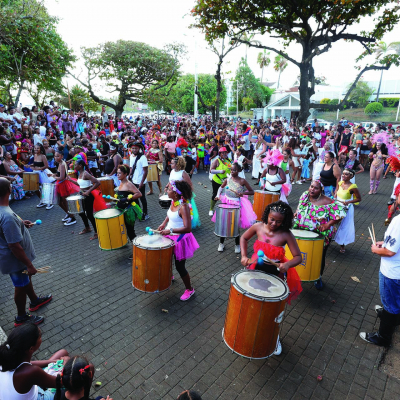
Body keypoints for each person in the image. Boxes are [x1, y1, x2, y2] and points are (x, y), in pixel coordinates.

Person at [240, 201, 303, 355]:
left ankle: (274, 338)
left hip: (275, 273)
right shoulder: (258, 227)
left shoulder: (286, 234)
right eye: (272, 219)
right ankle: (248, 330)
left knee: (272, 309)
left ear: (285, 221)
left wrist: (287, 266)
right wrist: (243, 255)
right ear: (267, 215)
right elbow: (243, 238)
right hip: (255, 268)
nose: (274, 223)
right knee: (253, 302)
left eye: (279, 221)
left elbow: (298, 257)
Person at [0, 177, 52, 325]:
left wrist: (21, 223)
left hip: (12, 258)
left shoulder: (4, 211)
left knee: (24, 280)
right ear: (10, 190)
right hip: (15, 259)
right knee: (20, 285)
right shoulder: (7, 216)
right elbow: (14, 245)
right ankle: (21, 317)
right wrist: (29, 264)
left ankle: (35, 301)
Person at [293, 180, 346, 290]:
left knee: (319, 257)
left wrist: (328, 224)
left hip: (319, 235)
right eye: (311, 186)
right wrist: (297, 212)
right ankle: (297, 274)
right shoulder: (304, 195)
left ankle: (318, 277)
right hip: (301, 231)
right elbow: (300, 207)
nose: (312, 189)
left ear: (321, 190)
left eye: (316, 188)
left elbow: (341, 213)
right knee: (299, 253)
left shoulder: (327, 201)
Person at [359, 212, 400, 347]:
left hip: (393, 272)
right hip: (394, 271)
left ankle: (383, 337)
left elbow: (389, 252)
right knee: (393, 301)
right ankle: (390, 316)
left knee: (390, 304)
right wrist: (385, 243)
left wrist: (376, 250)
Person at [0, 324, 69, 399]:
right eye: (40, 336)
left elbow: (30, 364)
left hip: (31, 388)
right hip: (39, 396)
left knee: (63, 352)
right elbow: (60, 383)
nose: (41, 338)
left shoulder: (7, 359)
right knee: (72, 387)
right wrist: (67, 365)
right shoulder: (32, 372)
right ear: (31, 349)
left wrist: (54, 361)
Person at [157, 180, 199, 301]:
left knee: (180, 266)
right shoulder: (174, 202)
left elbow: (188, 228)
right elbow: (169, 214)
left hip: (180, 239)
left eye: (170, 189)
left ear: (176, 193)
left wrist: (170, 231)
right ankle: (170, 276)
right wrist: (164, 223)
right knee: (167, 258)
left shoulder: (183, 206)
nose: (167, 190)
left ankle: (190, 289)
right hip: (169, 236)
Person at [213, 163, 256, 253]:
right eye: (231, 170)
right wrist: (217, 196)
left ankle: (237, 245)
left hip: (237, 204)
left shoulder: (242, 181)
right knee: (224, 223)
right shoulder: (228, 179)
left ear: (239, 171)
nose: (232, 172)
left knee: (235, 224)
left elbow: (252, 191)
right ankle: (221, 243)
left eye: (234, 170)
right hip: (226, 202)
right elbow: (221, 188)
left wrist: (243, 194)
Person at [67, 160, 106, 238]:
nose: (74, 166)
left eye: (76, 165)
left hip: (88, 196)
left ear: (80, 166)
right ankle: (87, 228)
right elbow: (80, 184)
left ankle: (97, 232)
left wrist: (88, 191)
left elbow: (97, 182)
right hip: (82, 195)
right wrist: (70, 180)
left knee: (89, 214)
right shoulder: (80, 173)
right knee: (81, 212)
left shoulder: (86, 174)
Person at [334, 169, 362, 253]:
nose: (343, 175)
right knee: (332, 222)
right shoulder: (339, 182)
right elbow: (336, 191)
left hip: (347, 207)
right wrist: (334, 196)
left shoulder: (353, 187)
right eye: (343, 174)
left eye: (346, 174)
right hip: (337, 205)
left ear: (351, 176)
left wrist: (348, 202)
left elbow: (359, 198)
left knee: (344, 226)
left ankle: (342, 244)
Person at [168, 156, 200, 229]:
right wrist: (167, 186)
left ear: (177, 164)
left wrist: (186, 195)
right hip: (174, 195)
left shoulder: (183, 173)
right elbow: (170, 180)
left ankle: (186, 224)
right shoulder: (172, 171)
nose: (170, 164)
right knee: (175, 209)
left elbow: (189, 184)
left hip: (182, 195)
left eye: (172, 163)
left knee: (184, 210)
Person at [115, 165, 143, 246]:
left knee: (130, 231)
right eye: (117, 173)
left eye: (120, 173)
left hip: (128, 211)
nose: (118, 175)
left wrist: (128, 199)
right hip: (121, 209)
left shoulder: (128, 184)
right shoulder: (121, 182)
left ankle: (137, 248)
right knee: (123, 228)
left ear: (125, 174)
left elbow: (139, 194)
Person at [52, 150, 78, 226]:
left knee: (66, 202)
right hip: (59, 184)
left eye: (57, 156)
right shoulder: (59, 163)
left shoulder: (62, 164)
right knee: (59, 201)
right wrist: (53, 175)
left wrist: (54, 177)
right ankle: (68, 213)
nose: (56, 158)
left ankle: (72, 217)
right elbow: (59, 174)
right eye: (55, 156)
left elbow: (62, 177)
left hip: (63, 184)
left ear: (62, 156)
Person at [29, 144, 56, 209]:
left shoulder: (43, 156)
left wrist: (40, 168)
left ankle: (49, 202)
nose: (36, 149)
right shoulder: (34, 155)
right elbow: (35, 164)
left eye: (37, 148)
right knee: (36, 188)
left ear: (40, 149)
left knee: (45, 188)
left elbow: (46, 166)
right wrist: (31, 165)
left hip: (42, 173)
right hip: (35, 173)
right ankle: (43, 201)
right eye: (35, 148)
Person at [129, 141, 149, 221]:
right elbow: (131, 168)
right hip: (134, 180)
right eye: (133, 148)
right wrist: (129, 178)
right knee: (135, 198)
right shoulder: (131, 156)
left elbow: (145, 171)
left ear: (139, 149)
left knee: (142, 198)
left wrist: (141, 182)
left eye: (136, 148)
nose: (134, 150)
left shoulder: (143, 157)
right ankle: (139, 212)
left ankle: (145, 213)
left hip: (140, 181)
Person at [209, 147, 232, 216]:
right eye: (223, 153)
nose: (224, 154)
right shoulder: (217, 160)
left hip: (226, 181)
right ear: (220, 153)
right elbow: (211, 170)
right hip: (217, 180)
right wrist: (219, 171)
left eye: (225, 152)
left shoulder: (229, 160)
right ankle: (211, 209)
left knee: (226, 195)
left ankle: (224, 209)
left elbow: (232, 169)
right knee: (215, 194)